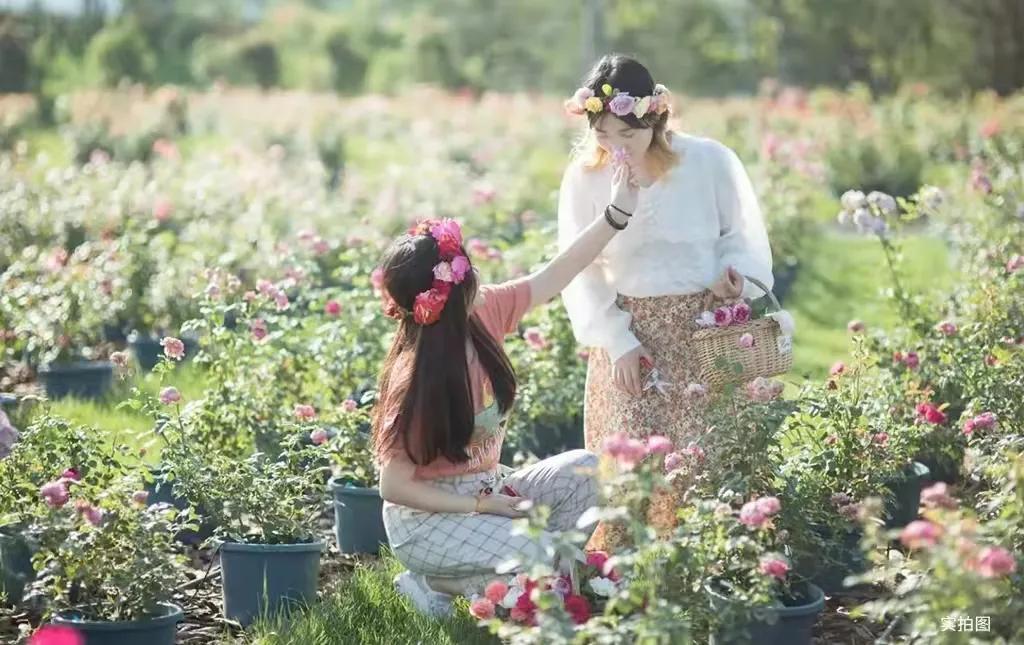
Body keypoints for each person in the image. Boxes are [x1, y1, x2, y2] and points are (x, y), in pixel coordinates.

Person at [373, 166, 637, 616]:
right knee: (540, 560)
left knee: (586, 470)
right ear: (451, 295)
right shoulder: (418, 379)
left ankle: (478, 577)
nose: (477, 276)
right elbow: (393, 486)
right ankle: (435, 577)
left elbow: (557, 274)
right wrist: (477, 505)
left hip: (488, 487)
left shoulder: (485, 312)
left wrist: (616, 212)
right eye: (467, 271)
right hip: (425, 521)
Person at [558, 54, 774, 550]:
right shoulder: (586, 178)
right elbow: (581, 268)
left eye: (627, 136)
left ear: (655, 120)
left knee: (705, 459)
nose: (615, 149)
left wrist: (732, 276)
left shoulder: (708, 162)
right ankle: (625, 589)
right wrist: (616, 340)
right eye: (603, 135)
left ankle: (705, 573)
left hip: (704, 331)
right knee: (632, 464)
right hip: (632, 335)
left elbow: (739, 237)